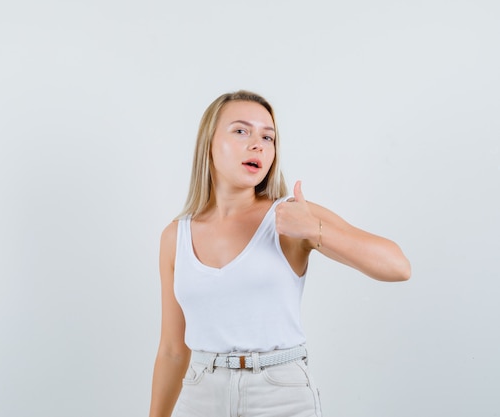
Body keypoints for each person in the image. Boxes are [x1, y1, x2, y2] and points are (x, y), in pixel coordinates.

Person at [148, 90, 411, 417]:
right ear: (209, 145)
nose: (257, 143)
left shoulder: (288, 217)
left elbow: (398, 266)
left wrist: (313, 229)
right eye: (241, 131)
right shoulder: (175, 236)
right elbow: (173, 351)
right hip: (201, 395)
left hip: (280, 396)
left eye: (267, 137)